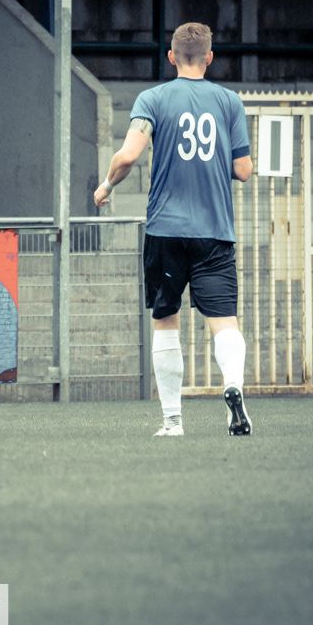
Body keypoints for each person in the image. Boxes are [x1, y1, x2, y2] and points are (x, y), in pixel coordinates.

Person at [93, 22, 254, 437]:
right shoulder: (229, 102)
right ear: (209, 58)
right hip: (214, 230)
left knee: (165, 320)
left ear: (171, 57)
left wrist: (106, 185)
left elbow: (128, 155)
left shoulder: (153, 99)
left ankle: (172, 422)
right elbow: (243, 169)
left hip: (165, 230)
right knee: (224, 321)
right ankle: (233, 385)